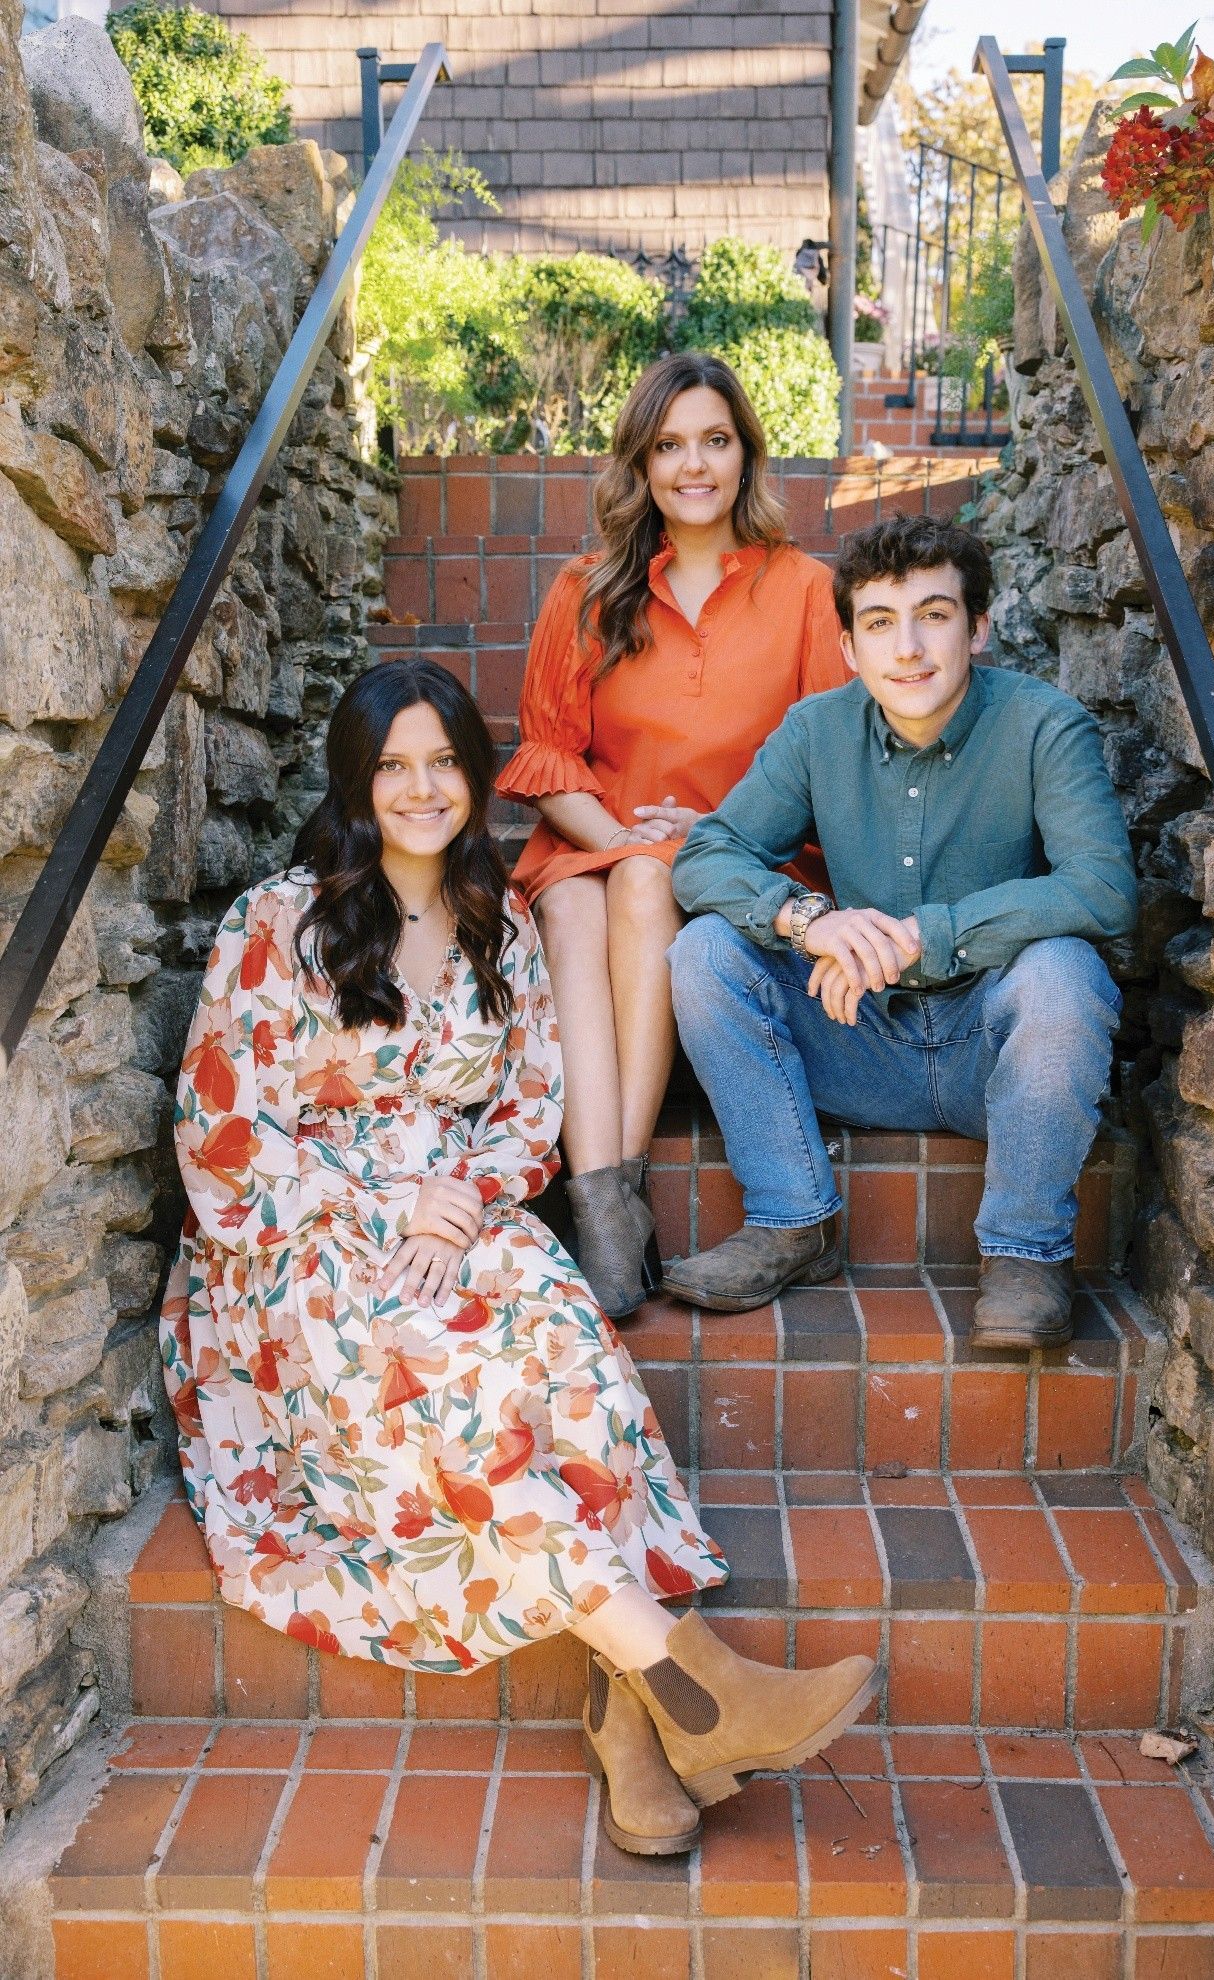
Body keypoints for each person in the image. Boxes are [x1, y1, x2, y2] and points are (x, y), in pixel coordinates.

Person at [162, 657, 876, 1860]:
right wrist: (393, 1218)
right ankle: (694, 1684)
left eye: (444, 760)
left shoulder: (502, 916)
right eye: (393, 766)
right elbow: (224, 1132)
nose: (422, 787)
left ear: (477, 778)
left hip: (459, 1211)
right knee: (454, 1387)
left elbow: (532, 1098)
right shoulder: (277, 921)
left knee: (550, 1328)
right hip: (295, 1246)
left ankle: (637, 1720)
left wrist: (469, 1195)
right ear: (356, 781)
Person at [665, 515, 1138, 1347]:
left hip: (991, 1053)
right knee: (705, 950)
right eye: (880, 623)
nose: (908, 646)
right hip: (854, 1035)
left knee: (1065, 970)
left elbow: (1102, 889)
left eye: (936, 614)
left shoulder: (1045, 725)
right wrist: (810, 920)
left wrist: (928, 934)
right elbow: (706, 855)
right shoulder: (817, 729)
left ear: (979, 626)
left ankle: (1027, 1253)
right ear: (849, 648)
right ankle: (791, 1221)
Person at [495, 350, 848, 1319]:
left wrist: (713, 836)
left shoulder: (808, 591)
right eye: (669, 445)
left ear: (746, 456)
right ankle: (608, 1197)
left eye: (715, 442)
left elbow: (832, 769)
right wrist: (618, 838)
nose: (694, 465)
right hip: (590, 841)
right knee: (570, 899)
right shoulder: (587, 588)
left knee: (646, 884)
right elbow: (549, 758)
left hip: (736, 861)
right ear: (641, 464)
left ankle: (607, 1186)